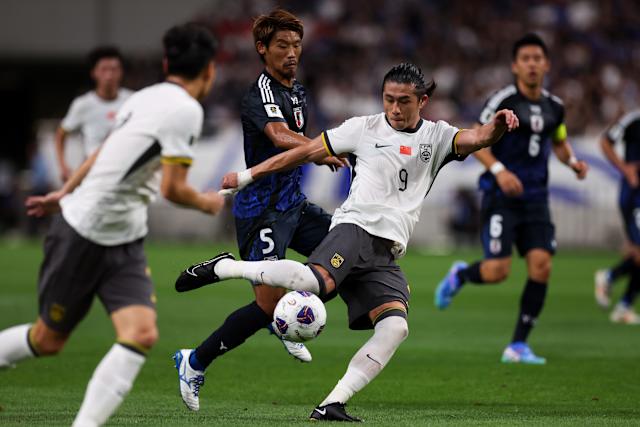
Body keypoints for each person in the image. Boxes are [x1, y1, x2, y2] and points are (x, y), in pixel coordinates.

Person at [175, 63, 519, 422]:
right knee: (315, 283)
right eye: (388, 99)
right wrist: (248, 174)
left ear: (423, 101)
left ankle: (332, 403)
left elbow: (478, 138)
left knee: (396, 327)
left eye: (404, 101)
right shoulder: (363, 128)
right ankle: (224, 267)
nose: (395, 108)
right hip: (355, 227)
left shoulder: (438, 136)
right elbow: (304, 152)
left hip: (386, 252)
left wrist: (497, 126)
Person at [0, 23, 223, 427]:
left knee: (140, 333)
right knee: (47, 340)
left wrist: (64, 190)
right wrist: (206, 203)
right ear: (210, 70)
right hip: (84, 232)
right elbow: (173, 189)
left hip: (125, 239)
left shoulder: (144, 96)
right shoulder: (187, 110)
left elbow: (103, 150)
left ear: (166, 63)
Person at [172, 9, 346, 412]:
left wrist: (314, 149)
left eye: (297, 45)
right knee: (265, 306)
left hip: (294, 204)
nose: (292, 52)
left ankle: (287, 316)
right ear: (262, 49)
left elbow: (294, 137)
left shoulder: (297, 91)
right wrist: (320, 149)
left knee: (344, 259)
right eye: (282, 45)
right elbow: (279, 135)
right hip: (261, 211)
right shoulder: (260, 93)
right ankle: (194, 361)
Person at [434, 33, 589, 364]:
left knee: (542, 266)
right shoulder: (503, 100)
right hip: (500, 196)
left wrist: (573, 162)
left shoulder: (555, 107)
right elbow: (476, 139)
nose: (532, 64)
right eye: (526, 59)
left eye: (537, 58)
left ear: (546, 64)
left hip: (536, 199)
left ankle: (518, 345)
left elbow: (559, 141)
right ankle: (460, 275)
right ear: (515, 66)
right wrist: (500, 171)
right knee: (497, 271)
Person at [55, 46, 133, 182]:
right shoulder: (83, 104)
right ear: (94, 73)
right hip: (92, 172)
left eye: (114, 69)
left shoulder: (133, 100)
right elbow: (61, 134)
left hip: (124, 171)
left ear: (121, 72)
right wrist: (63, 166)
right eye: (104, 70)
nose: (109, 75)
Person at [594, 109, 640, 324]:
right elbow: (605, 141)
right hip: (635, 196)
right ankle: (612, 281)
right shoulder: (634, 119)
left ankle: (623, 303)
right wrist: (626, 169)